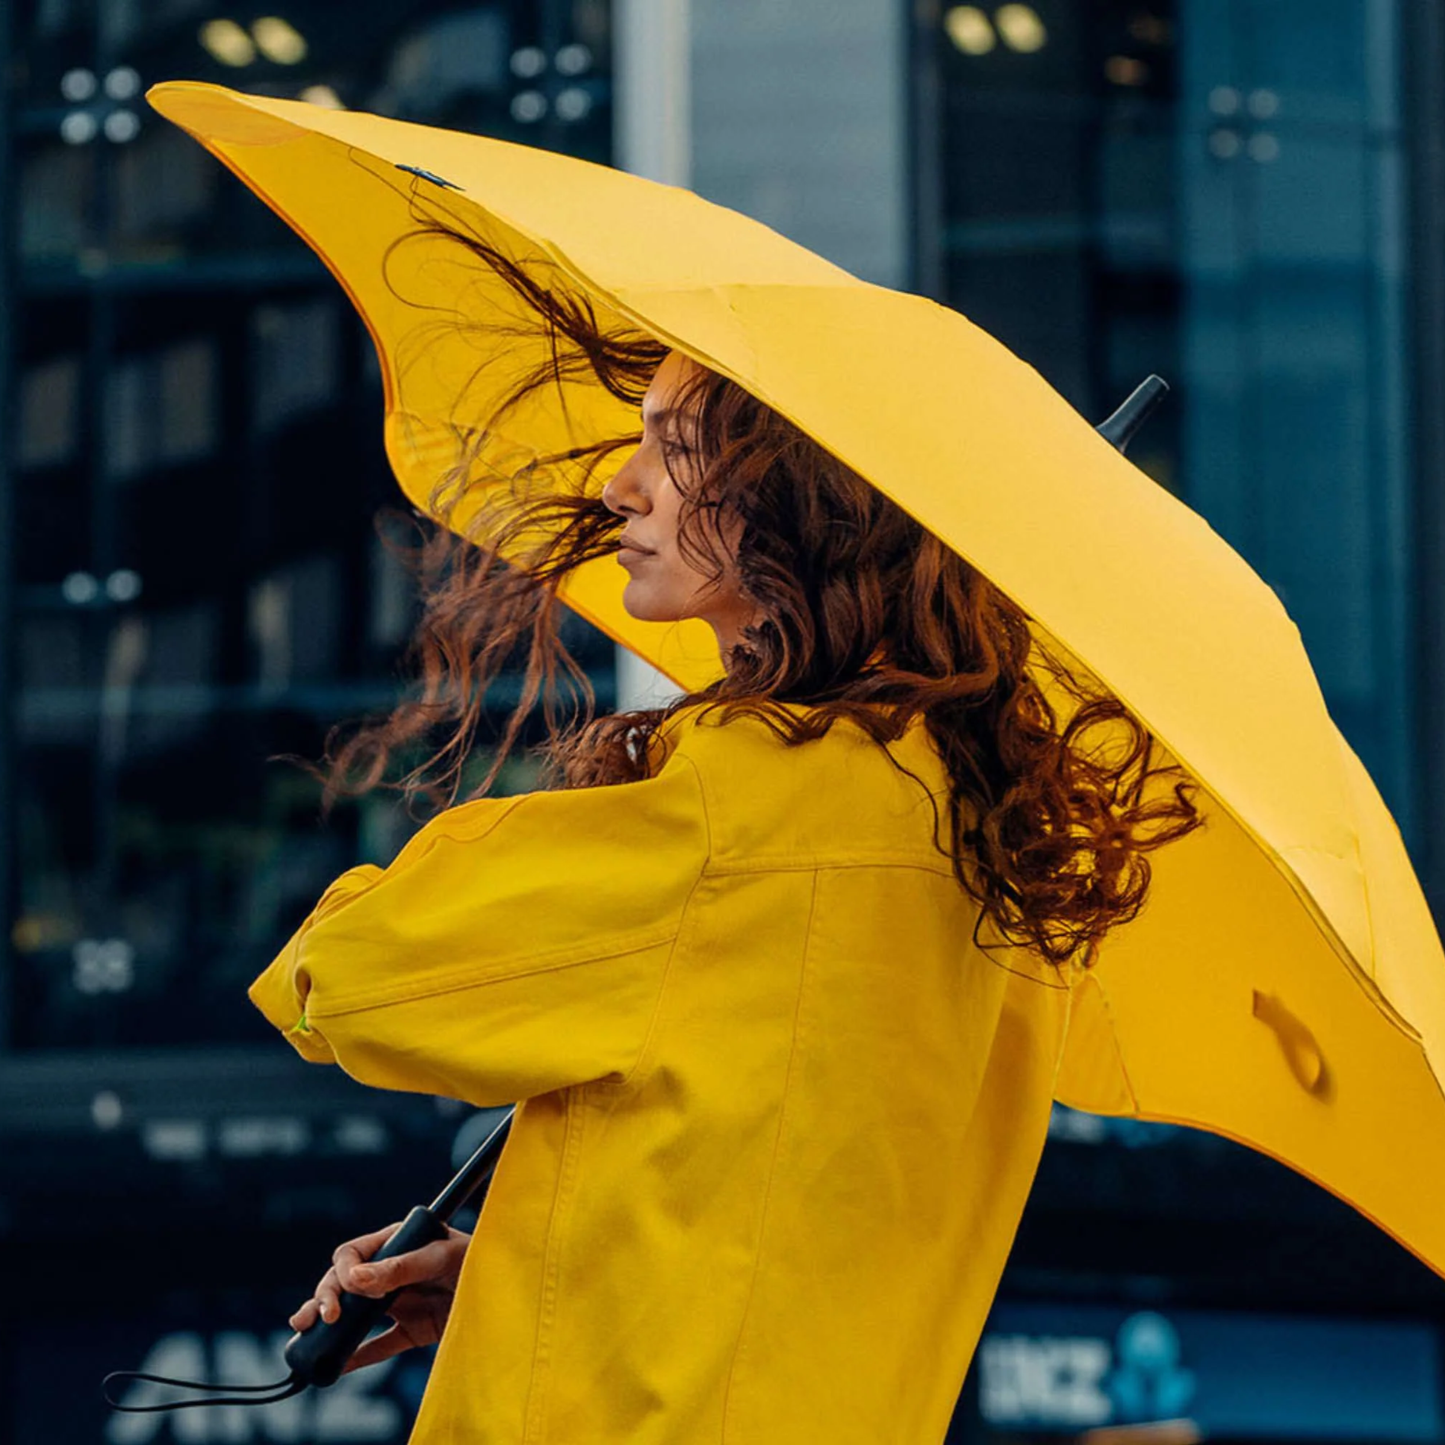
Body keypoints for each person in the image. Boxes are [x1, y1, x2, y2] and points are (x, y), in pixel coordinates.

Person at [260, 232, 1200, 1443]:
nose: (621, 484)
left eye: (679, 448)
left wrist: (528, 842)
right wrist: (517, 1271)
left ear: (814, 501)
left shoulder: (745, 807)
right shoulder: (970, 818)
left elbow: (349, 980)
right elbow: (777, 1199)